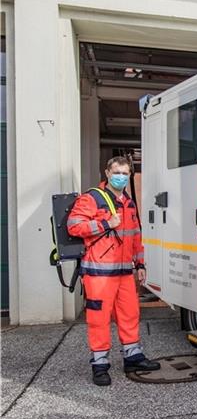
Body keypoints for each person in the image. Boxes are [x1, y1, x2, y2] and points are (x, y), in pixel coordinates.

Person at [67, 156, 161, 386]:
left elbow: (136, 237)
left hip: (124, 272)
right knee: (98, 319)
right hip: (98, 273)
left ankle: (133, 356)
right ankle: (99, 365)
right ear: (107, 173)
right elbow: (73, 225)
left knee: (130, 315)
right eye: (117, 172)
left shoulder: (128, 202)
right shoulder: (92, 198)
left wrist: (140, 265)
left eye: (125, 173)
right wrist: (105, 224)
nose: (121, 177)